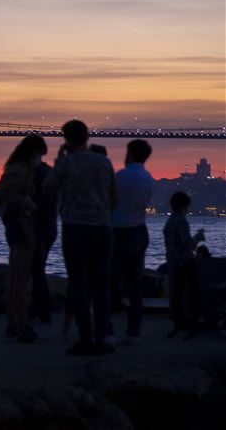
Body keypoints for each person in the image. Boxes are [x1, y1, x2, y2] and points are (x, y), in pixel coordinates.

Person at [44, 120, 118, 356]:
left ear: (66, 139)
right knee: (101, 285)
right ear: (87, 137)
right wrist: (103, 213)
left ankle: (85, 339)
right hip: (103, 228)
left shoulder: (66, 163)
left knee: (79, 284)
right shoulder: (104, 162)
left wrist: (59, 161)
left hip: (75, 228)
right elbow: (114, 196)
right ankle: (102, 338)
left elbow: (48, 189)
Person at [0, 134, 47, 343]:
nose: (41, 159)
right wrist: (27, 203)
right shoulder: (20, 170)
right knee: (22, 280)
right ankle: (23, 325)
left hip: (14, 226)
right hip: (21, 225)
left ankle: (12, 324)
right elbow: (3, 194)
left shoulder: (13, 168)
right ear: (33, 153)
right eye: (40, 154)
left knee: (16, 278)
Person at [109, 139, 153, 342]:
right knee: (135, 284)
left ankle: (108, 327)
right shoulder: (148, 178)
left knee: (109, 279)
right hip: (140, 230)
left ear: (130, 154)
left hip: (121, 231)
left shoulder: (121, 176)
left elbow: (110, 200)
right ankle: (134, 330)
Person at [163, 192, 205, 333]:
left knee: (177, 293)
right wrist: (198, 237)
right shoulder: (181, 221)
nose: (188, 209)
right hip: (184, 263)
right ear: (183, 206)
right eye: (187, 206)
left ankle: (178, 319)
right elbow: (188, 245)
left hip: (172, 263)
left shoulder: (169, 222)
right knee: (192, 290)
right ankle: (192, 318)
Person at [29, 154, 58, 325]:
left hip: (37, 227)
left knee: (37, 270)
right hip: (50, 227)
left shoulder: (33, 174)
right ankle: (38, 310)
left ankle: (41, 311)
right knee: (38, 269)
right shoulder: (51, 173)